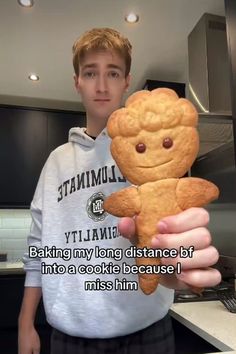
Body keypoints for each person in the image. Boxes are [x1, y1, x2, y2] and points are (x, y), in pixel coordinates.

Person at [18, 27, 221, 354]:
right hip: (70, 338)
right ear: (77, 82)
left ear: (127, 81)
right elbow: (38, 248)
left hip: (146, 332)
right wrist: (26, 323)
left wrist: (177, 266)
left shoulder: (152, 152)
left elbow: (168, 243)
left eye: (112, 72)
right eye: (90, 73)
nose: (101, 85)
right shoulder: (55, 162)